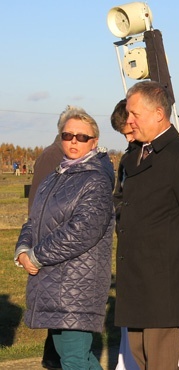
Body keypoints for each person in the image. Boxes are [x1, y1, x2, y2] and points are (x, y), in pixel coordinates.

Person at [114, 81, 179, 370]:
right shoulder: (133, 156)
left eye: (134, 113)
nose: (129, 120)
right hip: (135, 281)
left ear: (158, 113)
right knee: (139, 360)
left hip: (166, 284)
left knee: (161, 364)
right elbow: (123, 204)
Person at [14, 106, 115, 369]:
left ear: (94, 142)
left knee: (73, 358)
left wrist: (36, 256)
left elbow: (82, 231)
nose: (73, 141)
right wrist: (23, 248)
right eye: (68, 135)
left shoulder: (96, 180)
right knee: (74, 356)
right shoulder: (55, 177)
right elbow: (34, 219)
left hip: (77, 284)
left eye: (82, 137)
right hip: (53, 281)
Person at [27, 106, 73, 370]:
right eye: (72, 133)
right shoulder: (52, 156)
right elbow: (40, 203)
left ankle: (54, 356)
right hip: (51, 240)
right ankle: (54, 358)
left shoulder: (64, 155)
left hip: (60, 240)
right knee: (58, 302)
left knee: (62, 303)